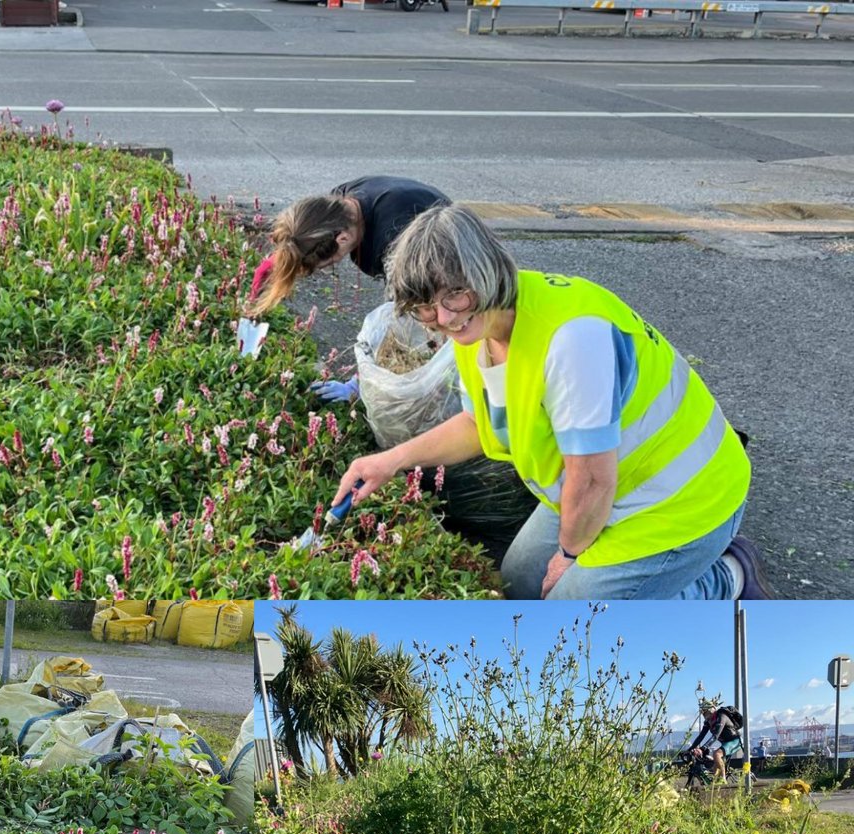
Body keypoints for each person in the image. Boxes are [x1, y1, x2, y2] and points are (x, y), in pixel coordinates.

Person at [331, 204, 772, 600]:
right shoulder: (476, 328)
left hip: (680, 501)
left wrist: (569, 554)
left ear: (487, 271)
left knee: (572, 621)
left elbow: (594, 480)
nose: (444, 318)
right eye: (427, 307)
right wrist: (390, 461)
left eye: (454, 296)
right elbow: (478, 424)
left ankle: (726, 576)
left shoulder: (572, 339)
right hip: (608, 481)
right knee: (517, 584)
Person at [247, 176, 449, 402]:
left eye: (326, 264)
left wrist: (359, 384)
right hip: (416, 213)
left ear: (342, 239)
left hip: (447, 257)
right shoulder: (339, 206)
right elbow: (301, 236)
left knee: (428, 331)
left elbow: (398, 320)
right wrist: (271, 268)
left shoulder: (393, 240)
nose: (328, 267)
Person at [687, 699, 744, 784]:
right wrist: (690, 749)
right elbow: (701, 736)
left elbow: (716, 735)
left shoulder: (721, 716)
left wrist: (702, 748)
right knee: (715, 772)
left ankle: (723, 781)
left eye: (705, 712)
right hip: (725, 743)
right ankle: (716, 785)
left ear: (711, 710)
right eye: (702, 713)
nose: (703, 714)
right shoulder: (708, 722)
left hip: (735, 741)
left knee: (716, 754)